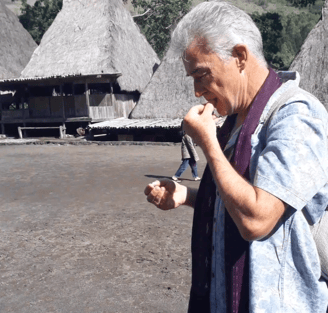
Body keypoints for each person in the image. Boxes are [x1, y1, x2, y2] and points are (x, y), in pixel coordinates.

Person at [144, 1, 328, 312]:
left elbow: (257, 219)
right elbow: (234, 195)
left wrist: (208, 142)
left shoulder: (296, 117)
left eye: (202, 74)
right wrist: (187, 195)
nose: (197, 91)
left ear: (239, 57)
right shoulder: (235, 122)